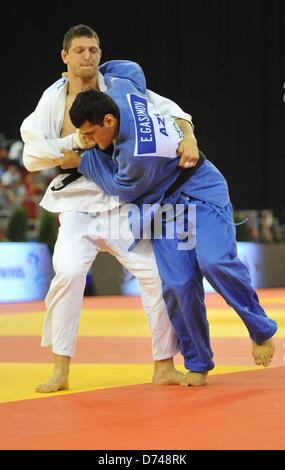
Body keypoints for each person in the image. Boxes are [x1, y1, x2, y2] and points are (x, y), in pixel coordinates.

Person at [20, 24, 202, 393]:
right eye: (80, 50)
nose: (88, 56)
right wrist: (74, 143)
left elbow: (170, 110)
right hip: (76, 203)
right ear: (65, 56)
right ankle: (60, 369)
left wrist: (189, 137)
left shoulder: (121, 86)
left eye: (94, 50)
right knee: (68, 274)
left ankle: (164, 365)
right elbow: (30, 155)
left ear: (100, 54)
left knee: (154, 275)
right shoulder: (53, 99)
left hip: (120, 200)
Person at [68, 64, 277, 377]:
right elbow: (130, 68)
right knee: (178, 283)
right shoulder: (122, 91)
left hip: (198, 188)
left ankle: (260, 330)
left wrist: (86, 161)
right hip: (163, 209)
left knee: (214, 262)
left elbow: (121, 189)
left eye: (90, 132)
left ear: (108, 120)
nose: (86, 138)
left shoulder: (134, 153)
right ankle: (197, 362)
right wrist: (98, 71)